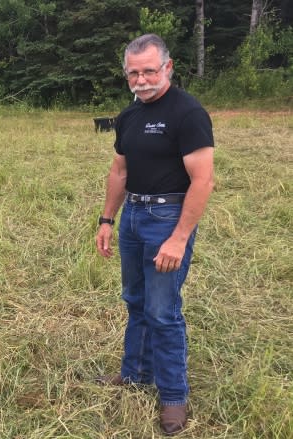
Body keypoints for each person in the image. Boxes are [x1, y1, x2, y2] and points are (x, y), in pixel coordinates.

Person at [94, 33, 215, 436]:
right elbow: (119, 171)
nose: (142, 80)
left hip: (168, 216)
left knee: (163, 312)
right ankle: (135, 373)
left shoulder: (188, 113)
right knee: (135, 300)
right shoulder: (129, 115)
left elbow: (202, 180)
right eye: (134, 73)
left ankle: (174, 396)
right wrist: (108, 219)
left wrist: (179, 237)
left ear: (168, 67)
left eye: (149, 70)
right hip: (132, 217)